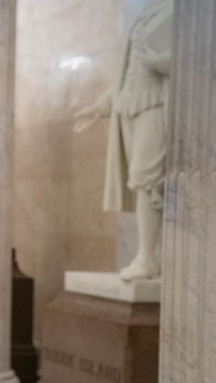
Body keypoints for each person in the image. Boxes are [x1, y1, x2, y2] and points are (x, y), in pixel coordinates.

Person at [73, 0, 172, 281]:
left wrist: (162, 63)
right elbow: (127, 72)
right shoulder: (146, 12)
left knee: (147, 181)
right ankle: (151, 255)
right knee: (143, 183)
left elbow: (198, 62)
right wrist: (100, 106)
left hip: (157, 105)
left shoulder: (184, 10)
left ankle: (147, 258)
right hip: (131, 107)